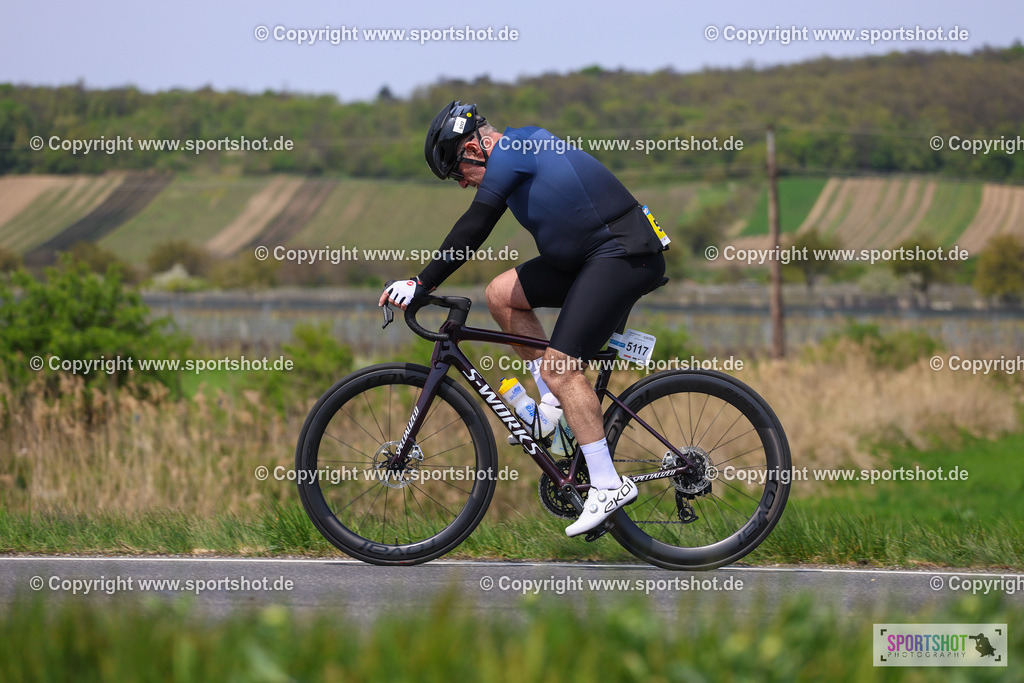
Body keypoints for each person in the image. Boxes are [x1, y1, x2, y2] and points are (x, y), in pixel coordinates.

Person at [379, 100, 668, 536]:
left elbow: (474, 226)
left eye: (458, 172)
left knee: (560, 368)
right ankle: (550, 412)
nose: (462, 184)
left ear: (475, 147)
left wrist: (422, 283)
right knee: (501, 295)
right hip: (591, 258)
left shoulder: (514, 150)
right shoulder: (517, 150)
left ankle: (607, 485)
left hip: (621, 255)